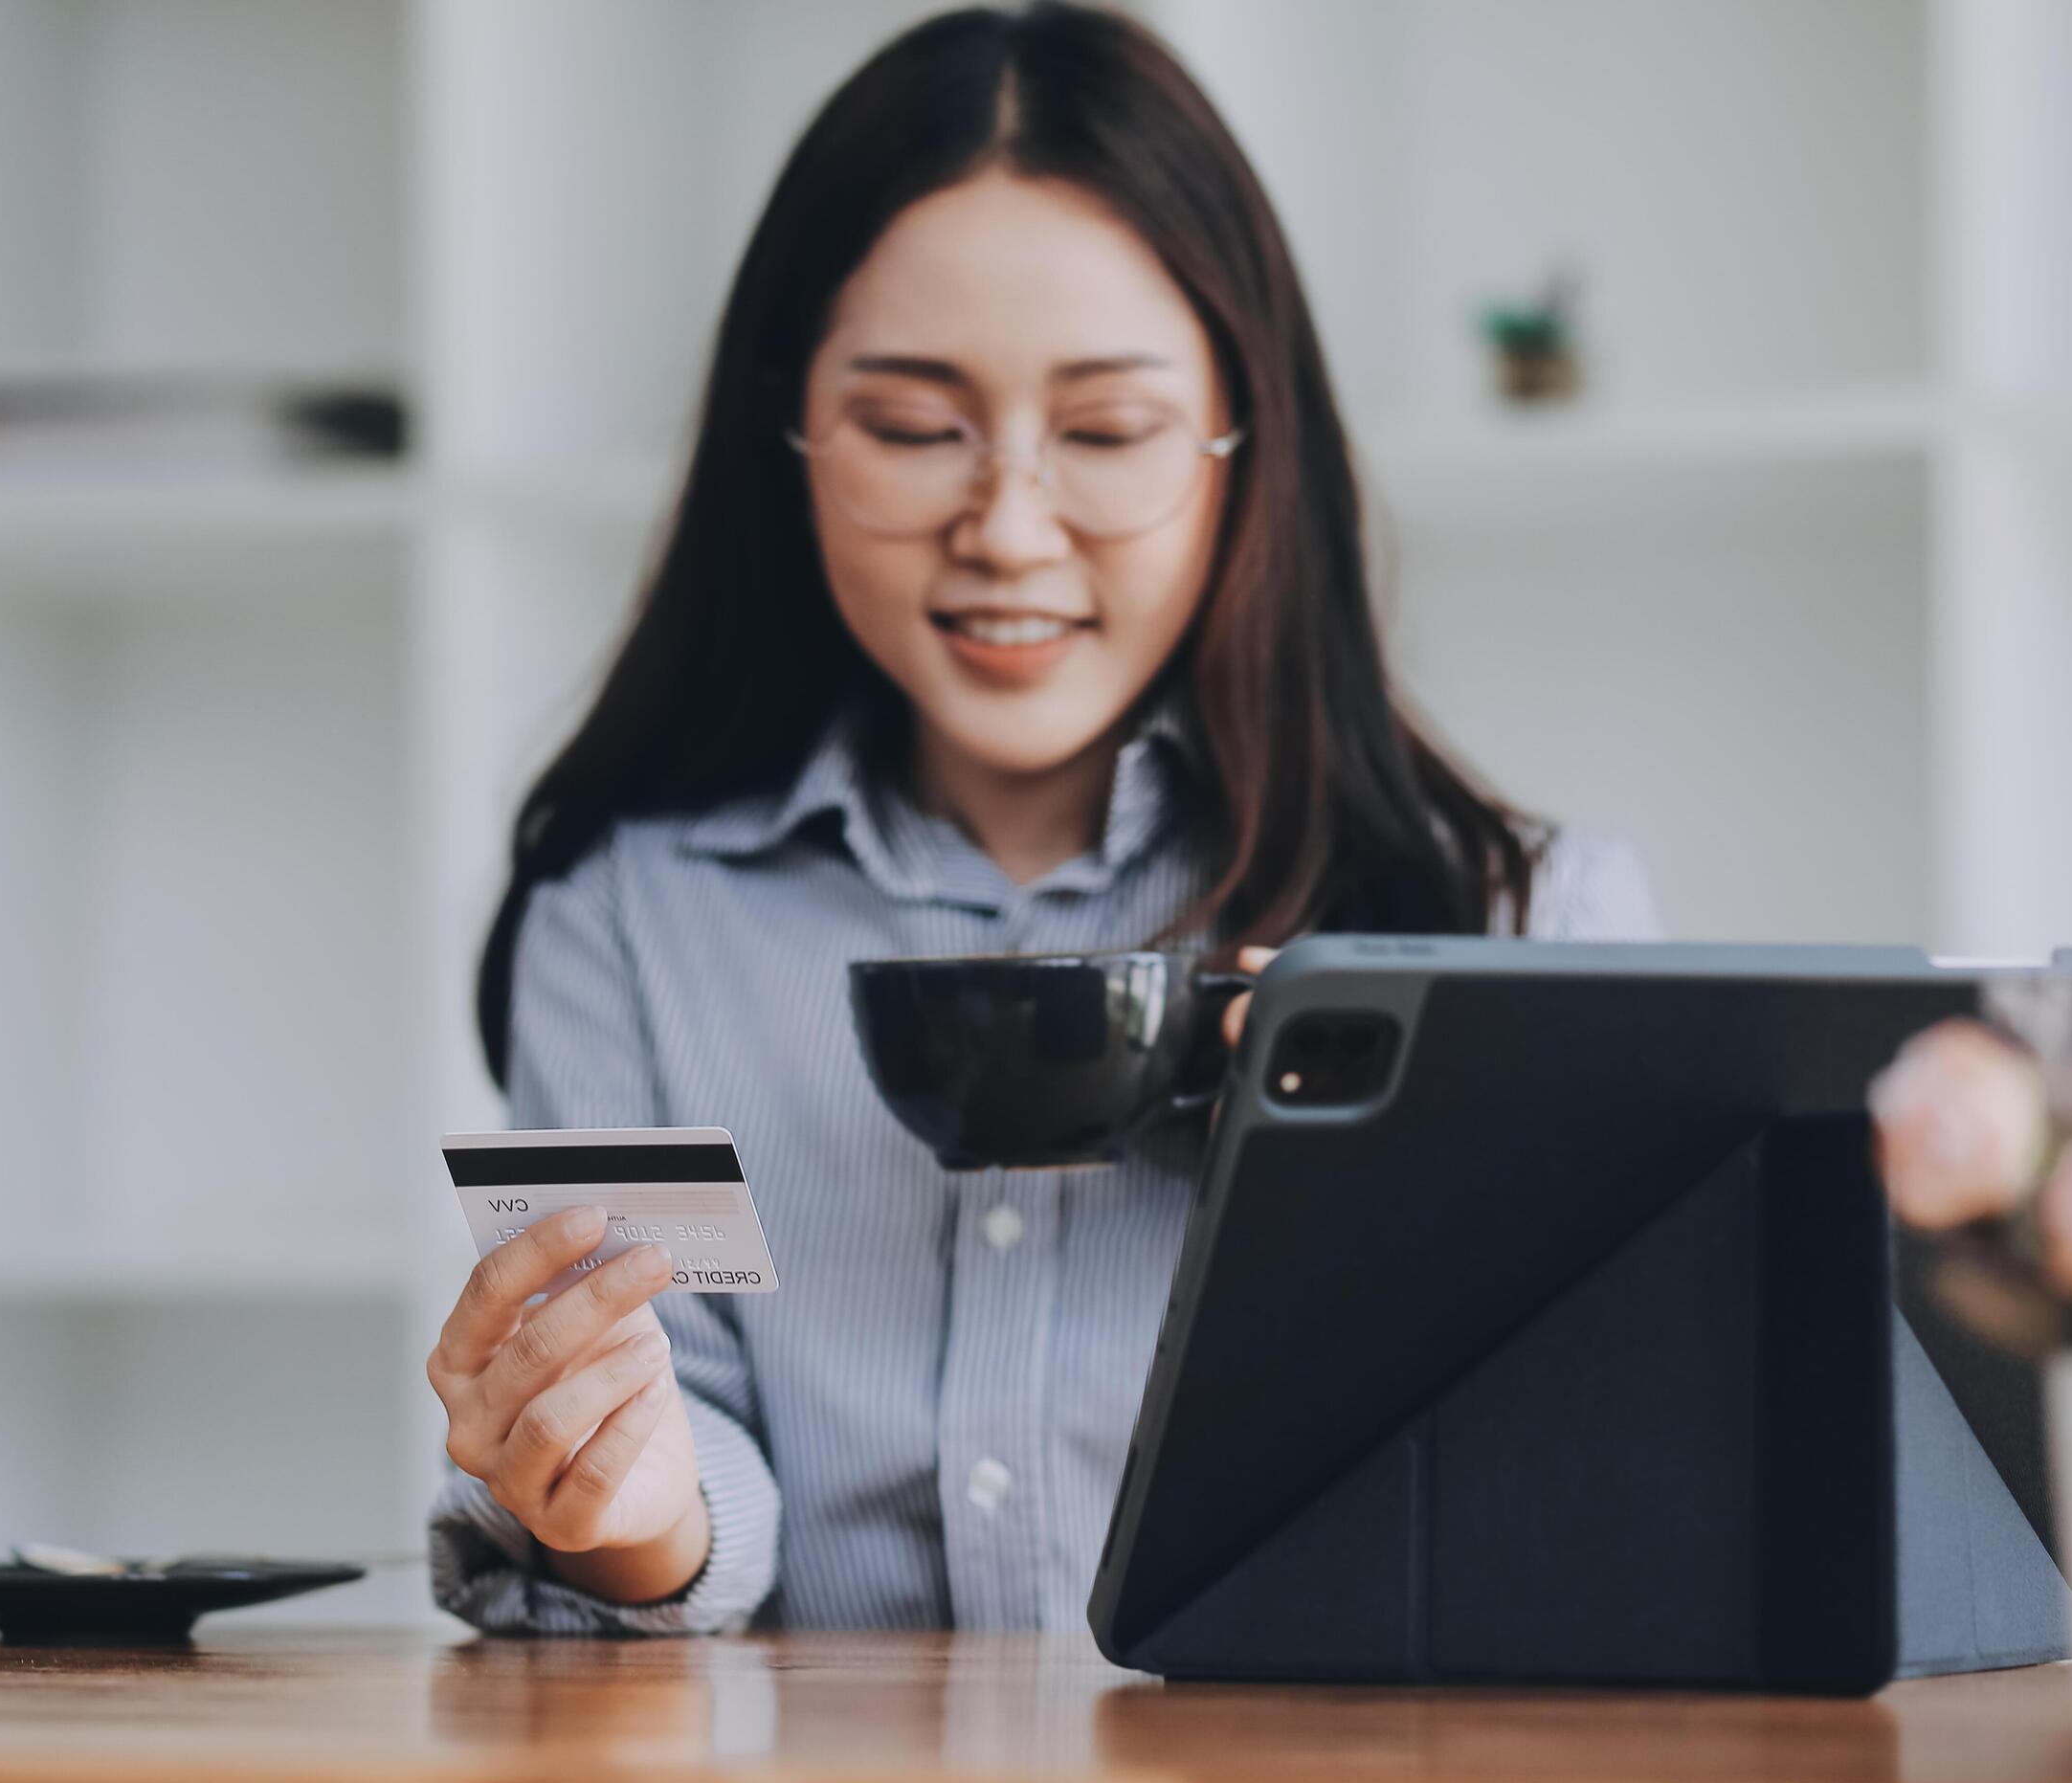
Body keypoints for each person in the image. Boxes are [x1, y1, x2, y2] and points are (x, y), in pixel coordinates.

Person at [426, 1, 1660, 1635]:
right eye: (913, 429)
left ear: (1243, 444)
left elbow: (1604, 1508)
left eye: (1106, 433)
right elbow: (682, 1427)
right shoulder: (637, 922)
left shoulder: (1521, 921)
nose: (1008, 528)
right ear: (789, 432)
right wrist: (624, 1506)